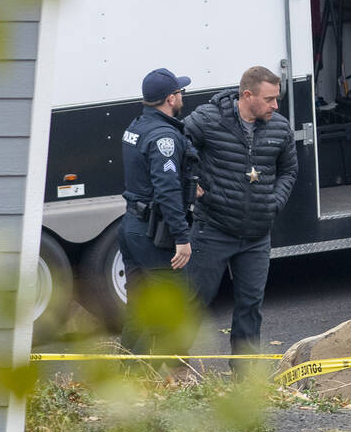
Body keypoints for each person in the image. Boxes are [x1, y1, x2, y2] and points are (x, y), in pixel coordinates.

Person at [184, 66, 298, 358]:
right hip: (213, 229)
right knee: (194, 302)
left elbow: (289, 170)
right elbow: (176, 146)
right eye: (270, 98)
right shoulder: (208, 119)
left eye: (277, 98)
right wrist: (191, 181)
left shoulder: (279, 127)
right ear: (247, 95)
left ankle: (245, 378)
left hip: (257, 234)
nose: (276, 105)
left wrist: (274, 202)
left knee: (250, 306)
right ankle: (171, 367)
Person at [118, 67, 197, 354]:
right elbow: (166, 191)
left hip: (131, 225)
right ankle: (172, 375)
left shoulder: (137, 125)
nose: (182, 96)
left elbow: (147, 177)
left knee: (138, 309)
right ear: (170, 98)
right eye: (180, 92)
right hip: (153, 232)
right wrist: (182, 237)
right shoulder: (164, 137)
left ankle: (128, 373)